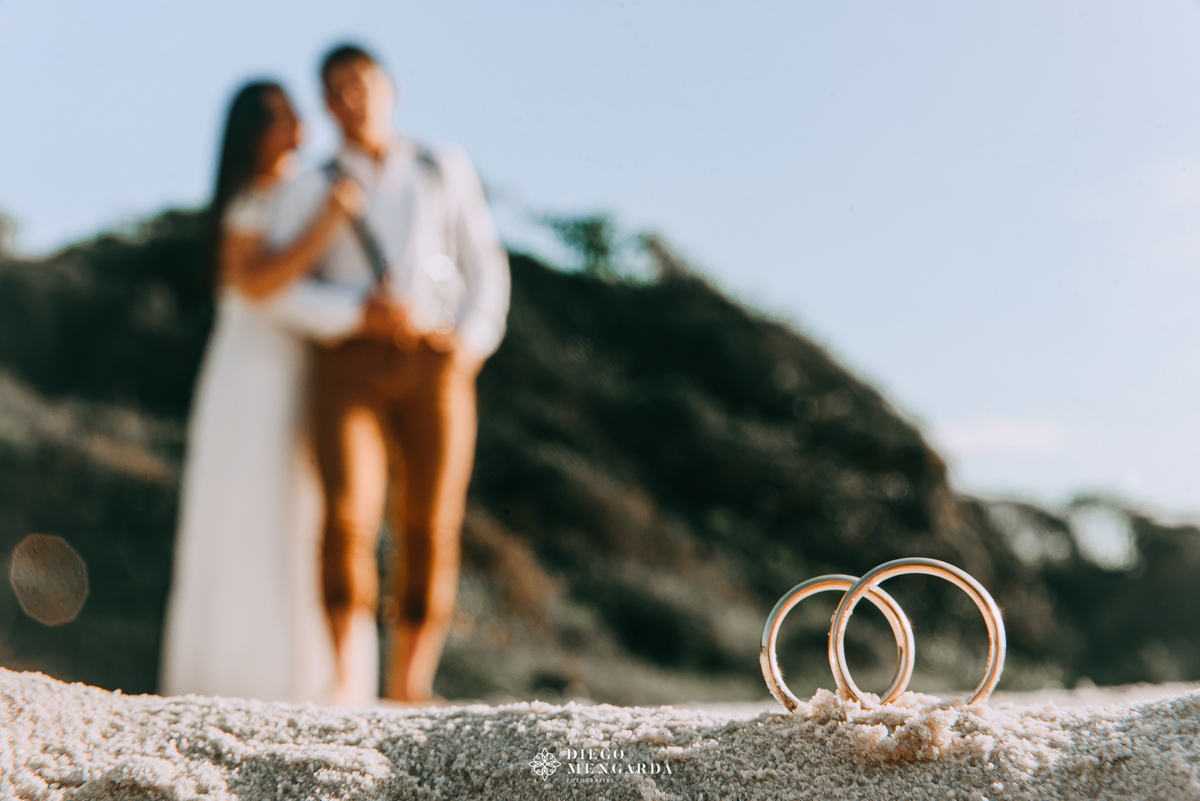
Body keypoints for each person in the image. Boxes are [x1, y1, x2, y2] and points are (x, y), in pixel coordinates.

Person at [264, 44, 510, 704]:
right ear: (324, 104)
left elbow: (484, 261)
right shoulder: (309, 186)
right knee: (347, 515)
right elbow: (281, 289)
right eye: (336, 89)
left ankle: (411, 681)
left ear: (389, 87)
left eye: (360, 83)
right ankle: (346, 676)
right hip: (348, 367)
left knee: (432, 522)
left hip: (436, 361)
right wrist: (353, 314)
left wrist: (470, 341)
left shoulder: (440, 165)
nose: (350, 99)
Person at [160, 80, 387, 701]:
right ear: (254, 133)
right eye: (283, 118)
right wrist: (327, 228)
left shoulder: (293, 191)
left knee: (305, 513)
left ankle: (313, 678)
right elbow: (257, 286)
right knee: (248, 512)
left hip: (299, 370)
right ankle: (242, 678)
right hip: (252, 378)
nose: (299, 128)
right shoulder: (253, 200)